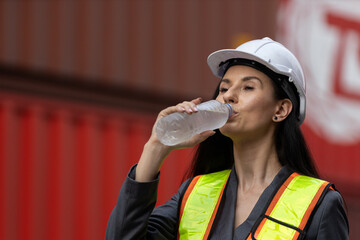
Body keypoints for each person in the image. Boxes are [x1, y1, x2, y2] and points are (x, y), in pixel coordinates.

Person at [105, 37, 349, 239]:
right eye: (224, 88)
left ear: (281, 110)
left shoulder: (318, 202)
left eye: (248, 87)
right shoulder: (194, 193)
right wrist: (155, 147)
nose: (228, 97)